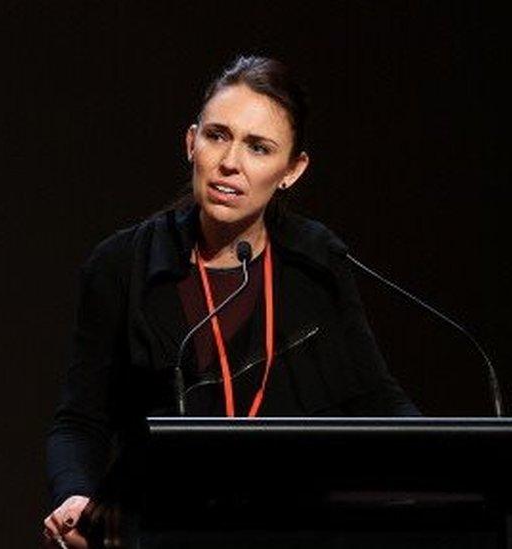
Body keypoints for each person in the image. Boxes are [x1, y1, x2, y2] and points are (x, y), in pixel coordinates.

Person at [42, 55, 418, 548]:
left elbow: (374, 400)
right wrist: (74, 495)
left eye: (259, 148)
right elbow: (81, 420)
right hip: (159, 530)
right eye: (218, 136)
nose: (230, 163)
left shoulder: (316, 263)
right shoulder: (121, 266)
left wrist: (452, 468)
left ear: (292, 170)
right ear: (190, 141)